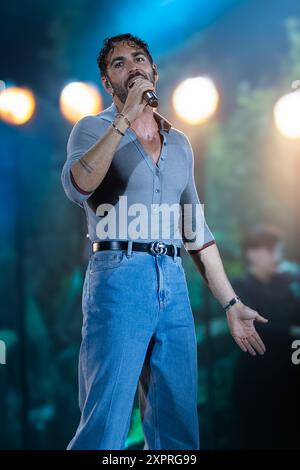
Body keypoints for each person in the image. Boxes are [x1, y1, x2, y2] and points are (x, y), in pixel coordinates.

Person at [61, 33, 268, 450]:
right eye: (119, 64)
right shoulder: (91, 129)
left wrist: (231, 303)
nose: (132, 66)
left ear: (154, 71)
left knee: (177, 430)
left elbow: (196, 230)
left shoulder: (180, 142)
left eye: (139, 59)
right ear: (108, 82)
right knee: (105, 425)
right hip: (118, 279)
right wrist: (124, 120)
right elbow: (78, 185)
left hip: (171, 282)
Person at [231, 226, 300, 449]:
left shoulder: (287, 284)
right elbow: (257, 327)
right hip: (256, 382)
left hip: (287, 379)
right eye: (273, 252)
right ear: (253, 253)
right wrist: (291, 331)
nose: (278, 258)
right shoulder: (240, 287)